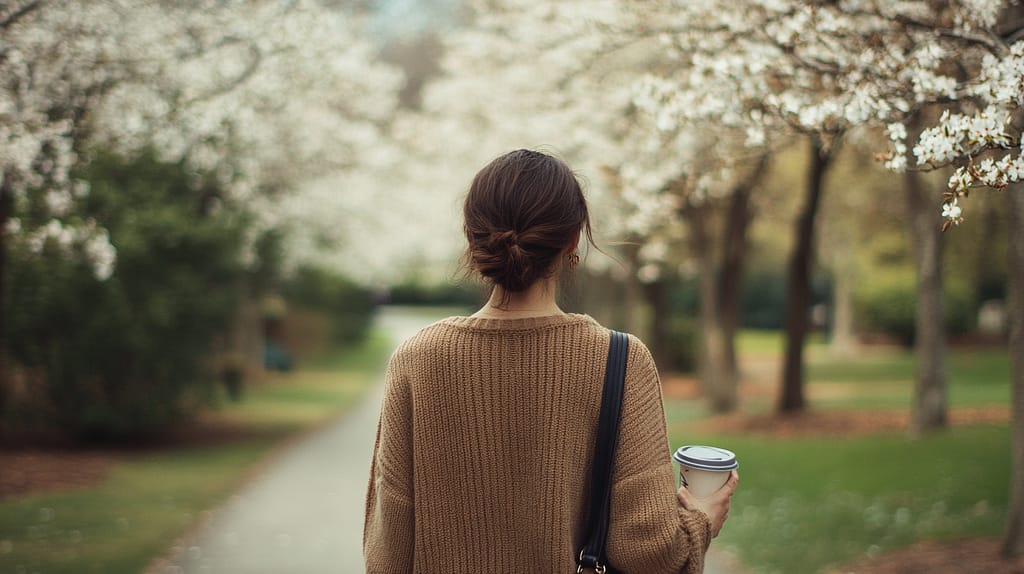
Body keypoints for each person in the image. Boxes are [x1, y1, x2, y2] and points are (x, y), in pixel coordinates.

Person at [363, 149, 738, 573]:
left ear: (471, 236)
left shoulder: (416, 360)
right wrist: (702, 519)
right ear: (573, 241)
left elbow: (388, 549)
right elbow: (647, 551)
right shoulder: (621, 359)